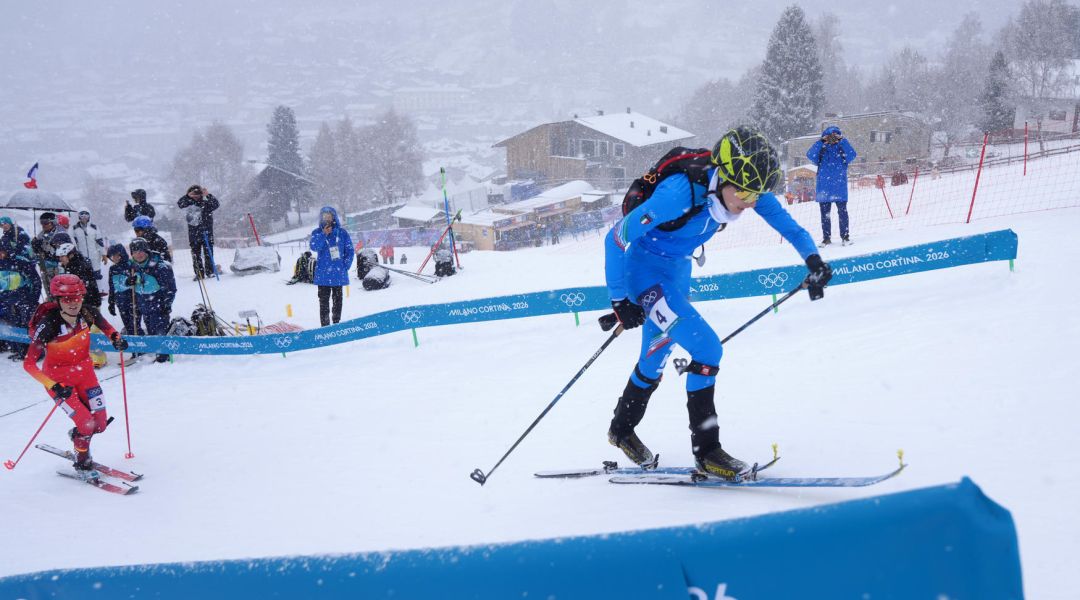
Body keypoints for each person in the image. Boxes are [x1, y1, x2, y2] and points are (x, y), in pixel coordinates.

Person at [603, 127, 832, 480]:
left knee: (655, 354)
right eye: (742, 192)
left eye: (755, 195)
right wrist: (620, 300)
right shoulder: (678, 195)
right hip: (644, 273)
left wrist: (814, 261)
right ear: (723, 176)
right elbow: (616, 237)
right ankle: (708, 451)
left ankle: (620, 430)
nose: (749, 202)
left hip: (677, 273)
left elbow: (791, 228)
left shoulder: (747, 189)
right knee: (708, 349)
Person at [23, 274, 128, 477]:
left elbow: (108, 328)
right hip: (59, 381)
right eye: (67, 299)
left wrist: (116, 339)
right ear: (58, 300)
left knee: (100, 424)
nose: (73, 303)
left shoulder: (88, 312)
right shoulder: (48, 324)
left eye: (77, 297)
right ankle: (82, 462)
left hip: (86, 374)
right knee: (86, 424)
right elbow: (28, 364)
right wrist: (53, 385)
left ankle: (79, 437)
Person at [806, 126, 857, 246]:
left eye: (835, 136)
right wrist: (821, 142)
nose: (832, 139)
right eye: (829, 136)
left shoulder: (842, 148)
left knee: (842, 212)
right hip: (825, 186)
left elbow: (852, 155)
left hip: (838, 186)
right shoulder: (822, 149)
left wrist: (842, 140)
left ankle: (845, 237)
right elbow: (810, 155)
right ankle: (826, 238)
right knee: (825, 214)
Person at [128, 238, 176, 363]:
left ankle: (163, 357)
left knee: (160, 332)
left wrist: (166, 304)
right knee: (150, 331)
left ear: (147, 251)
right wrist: (129, 281)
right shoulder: (133, 266)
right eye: (135, 251)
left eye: (141, 251)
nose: (138, 254)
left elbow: (171, 289)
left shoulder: (160, 266)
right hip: (144, 305)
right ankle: (158, 353)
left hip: (159, 306)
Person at [309, 206, 354, 327]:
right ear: (321, 218)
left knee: (338, 301)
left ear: (334, 217)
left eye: (329, 216)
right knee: (323, 302)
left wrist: (345, 266)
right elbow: (314, 247)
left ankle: (336, 325)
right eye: (324, 216)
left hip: (338, 274)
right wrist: (324, 234)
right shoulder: (317, 232)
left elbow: (350, 250)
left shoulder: (342, 233)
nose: (327, 218)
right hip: (323, 275)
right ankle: (325, 327)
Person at [176, 184, 220, 280]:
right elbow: (180, 204)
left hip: (207, 232)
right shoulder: (188, 203)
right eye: (193, 194)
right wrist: (188, 196)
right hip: (193, 233)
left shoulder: (206, 203)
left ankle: (210, 272)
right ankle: (199, 274)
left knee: (208, 252)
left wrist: (208, 195)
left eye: (198, 194)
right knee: (195, 254)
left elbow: (216, 204)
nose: (196, 196)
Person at [52, 233, 102, 308]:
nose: (60, 259)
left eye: (62, 256)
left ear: (71, 255)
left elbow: (82, 288)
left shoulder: (78, 267)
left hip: (87, 304)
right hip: (81, 304)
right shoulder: (71, 264)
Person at [105, 243, 143, 336]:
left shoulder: (131, 265)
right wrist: (111, 303)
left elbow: (139, 279)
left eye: (115, 255)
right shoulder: (112, 269)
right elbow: (112, 286)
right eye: (111, 256)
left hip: (133, 299)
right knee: (127, 324)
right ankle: (133, 345)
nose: (113, 258)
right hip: (121, 301)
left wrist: (134, 280)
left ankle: (139, 344)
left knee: (135, 324)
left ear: (121, 254)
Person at [71, 208, 106, 281]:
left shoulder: (94, 227)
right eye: (82, 215)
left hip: (94, 256)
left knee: (96, 277)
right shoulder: (74, 229)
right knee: (84, 278)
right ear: (79, 216)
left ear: (89, 216)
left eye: (86, 215)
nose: (84, 217)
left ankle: (98, 291)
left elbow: (100, 242)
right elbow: (74, 244)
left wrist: (103, 254)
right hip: (82, 258)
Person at [30, 212, 61, 293]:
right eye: (41, 222)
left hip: (57, 269)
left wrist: (48, 250)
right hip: (44, 267)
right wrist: (35, 247)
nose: (43, 225)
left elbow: (61, 252)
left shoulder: (60, 233)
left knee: (58, 292)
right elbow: (36, 254)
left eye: (46, 223)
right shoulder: (41, 235)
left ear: (53, 222)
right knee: (48, 292)